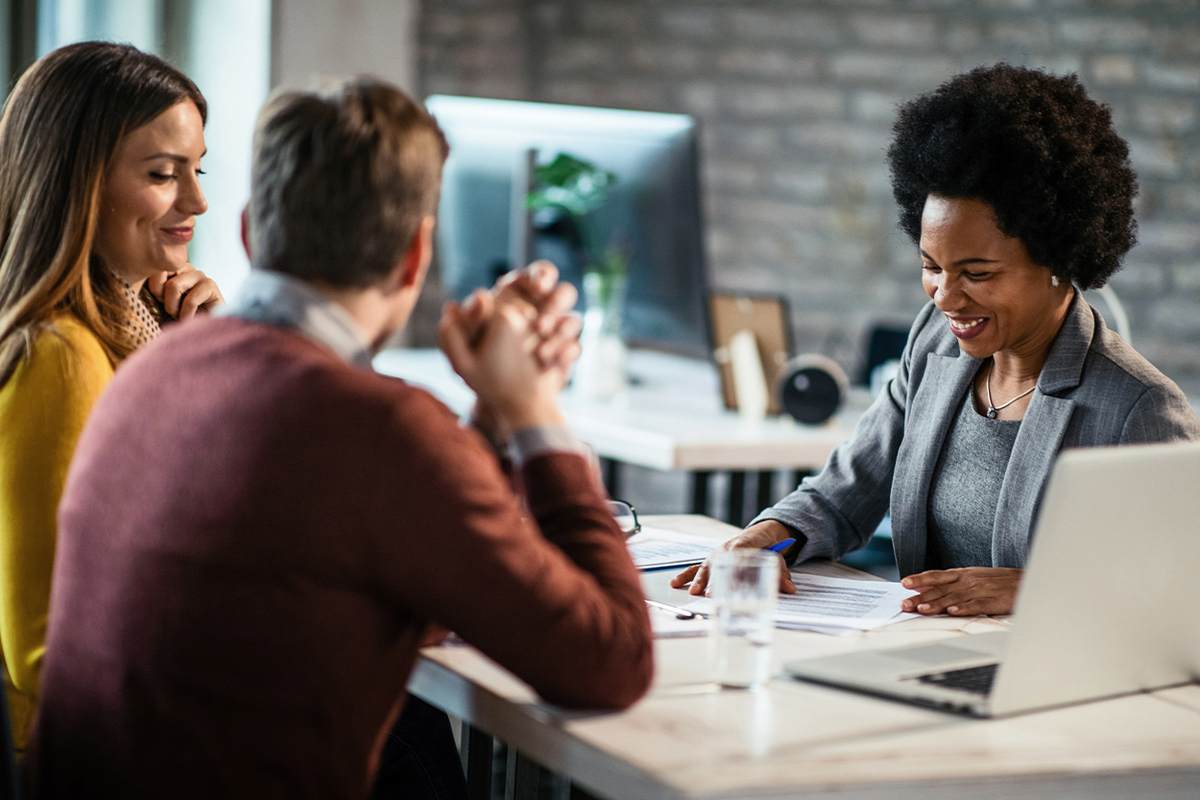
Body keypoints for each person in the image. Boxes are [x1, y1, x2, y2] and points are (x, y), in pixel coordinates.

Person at [30, 78, 653, 799]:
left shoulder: (150, 364)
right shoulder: (383, 428)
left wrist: (491, 413)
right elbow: (613, 665)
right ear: (417, 254)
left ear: (248, 232)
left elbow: (378, 565)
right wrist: (538, 413)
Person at [674, 63, 1200, 616]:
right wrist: (769, 535)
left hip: (1050, 686)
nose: (945, 297)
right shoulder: (936, 344)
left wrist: (1037, 589)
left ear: (1058, 259)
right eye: (931, 266)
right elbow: (846, 490)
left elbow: (1180, 590)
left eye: (977, 273)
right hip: (923, 660)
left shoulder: (1139, 408)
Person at [0, 41, 221, 750]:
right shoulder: (61, 358)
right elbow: (45, 648)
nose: (197, 201)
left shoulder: (129, 332)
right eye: (163, 174)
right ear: (79, 184)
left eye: (197, 170)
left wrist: (196, 355)